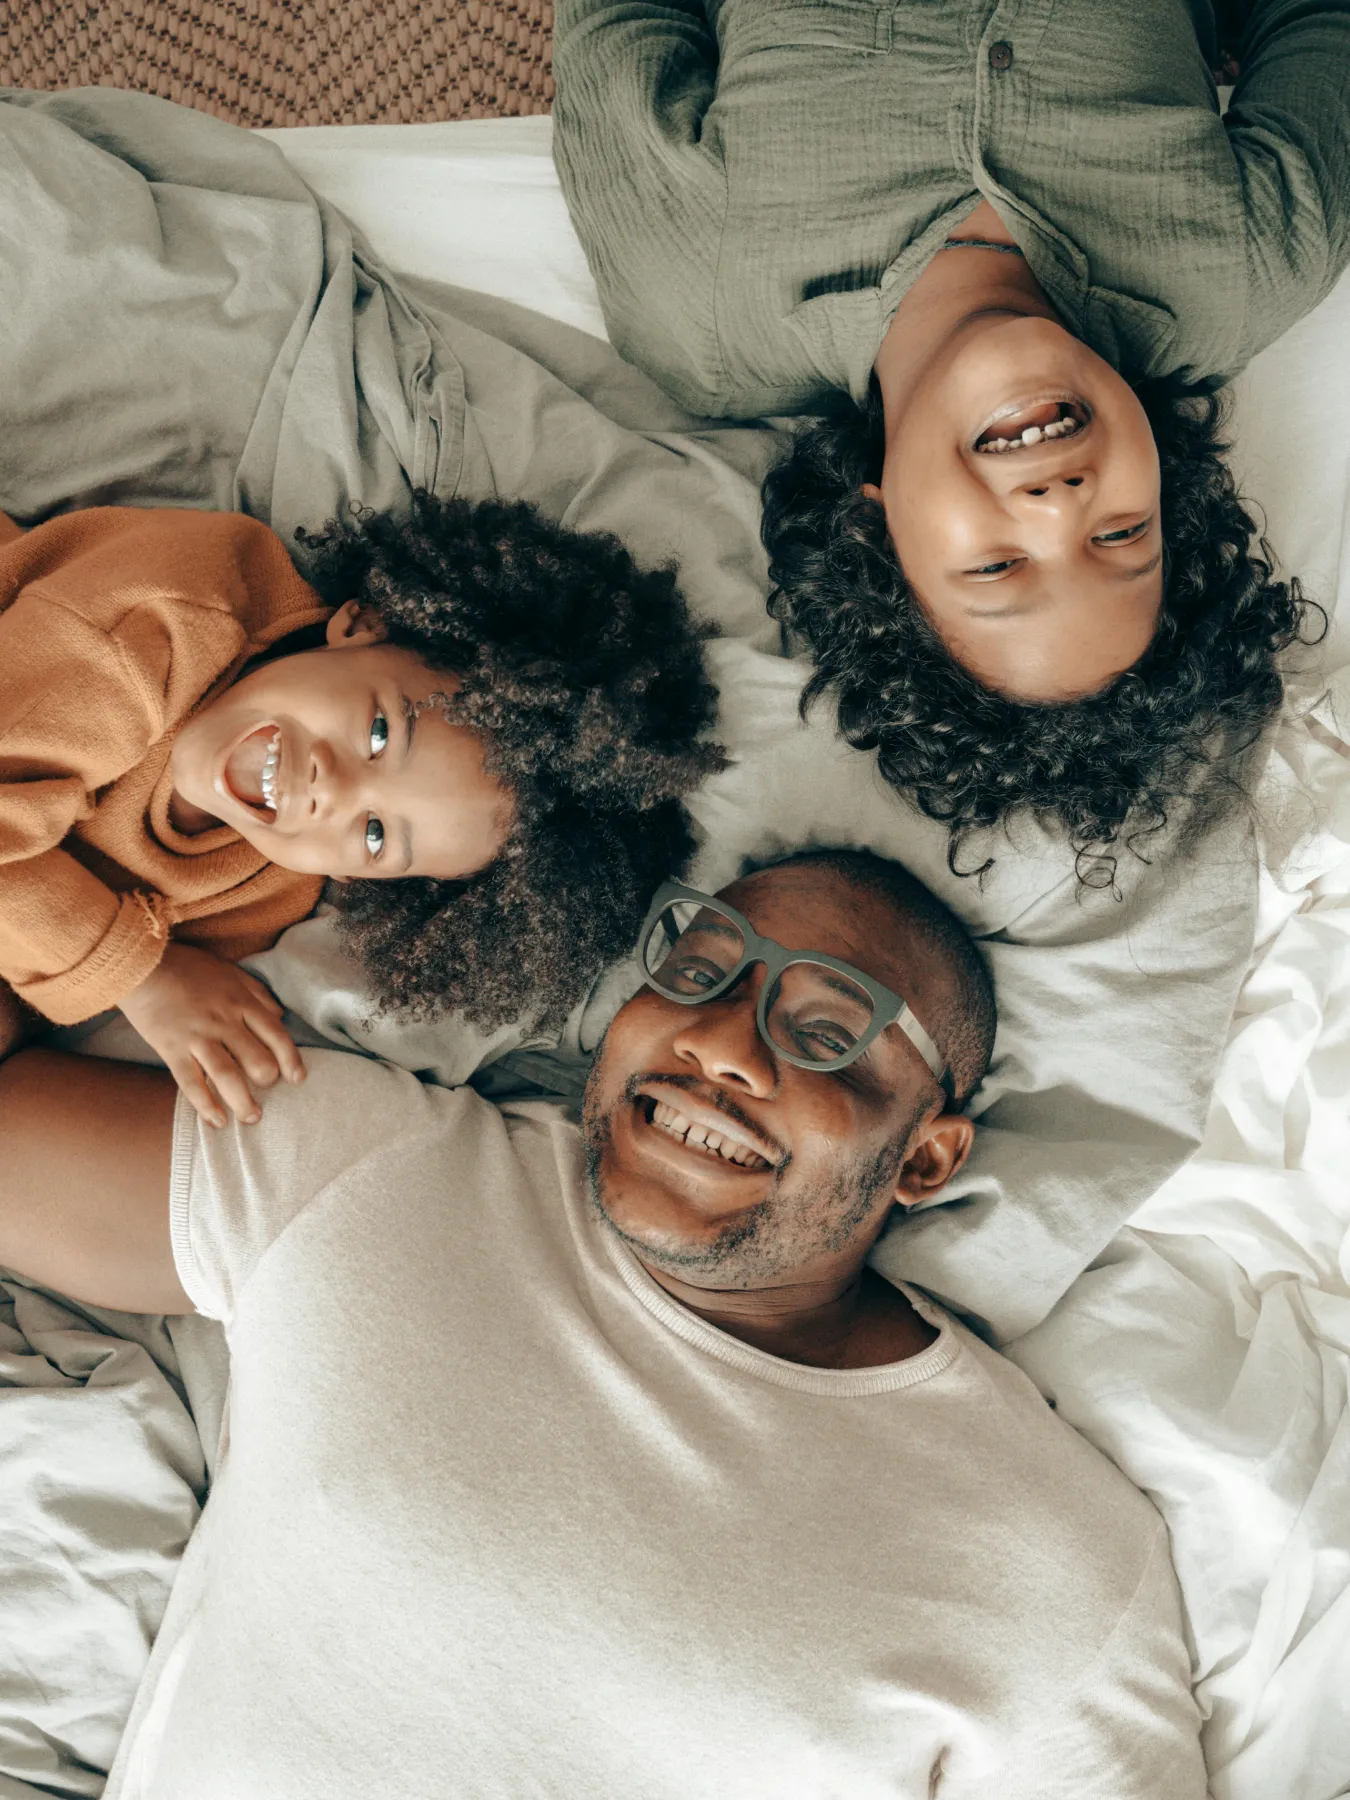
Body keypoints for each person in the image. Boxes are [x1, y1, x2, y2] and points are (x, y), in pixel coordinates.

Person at [0, 850, 1206, 1796]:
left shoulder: (1054, 1561)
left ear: (926, 1159)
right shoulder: (379, 1175)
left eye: (826, 1036)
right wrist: (114, 946)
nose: (719, 1046)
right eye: (697, 973)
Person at [551, 0, 1346, 868]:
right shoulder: (1248, 269)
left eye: (996, 568)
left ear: (873, 530)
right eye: (1122, 534)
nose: (1059, 505)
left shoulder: (694, 312)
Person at [0, 493, 722, 1124]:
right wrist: (145, 977)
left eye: (376, 835)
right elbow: (109, 970)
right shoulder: (165, 618)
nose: (334, 792)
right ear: (367, 624)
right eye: (379, 732)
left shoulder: (269, 891)